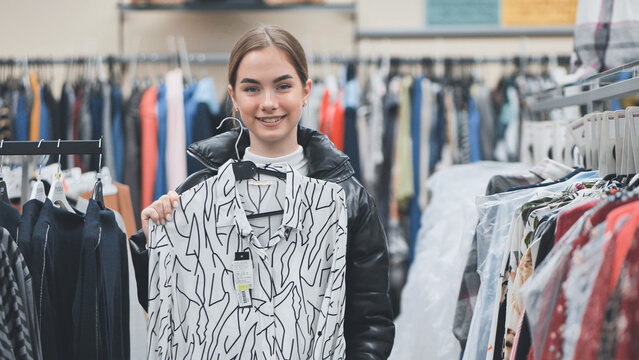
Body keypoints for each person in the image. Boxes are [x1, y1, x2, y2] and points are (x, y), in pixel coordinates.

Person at [129, 25, 395, 359]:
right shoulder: (196, 194)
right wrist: (153, 243)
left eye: (283, 86)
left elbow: (370, 323)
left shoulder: (347, 200)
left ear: (305, 91)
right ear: (234, 97)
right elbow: (170, 309)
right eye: (252, 89)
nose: (269, 103)